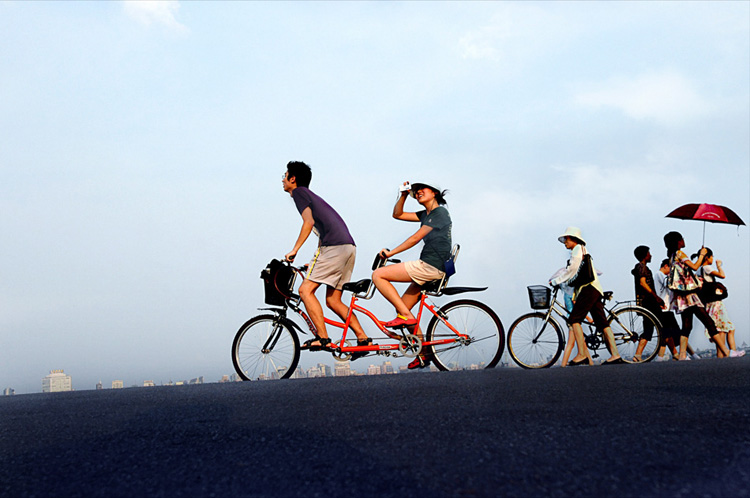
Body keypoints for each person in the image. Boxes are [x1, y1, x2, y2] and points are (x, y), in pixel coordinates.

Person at [282, 161, 370, 353]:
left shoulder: (299, 193)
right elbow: (322, 230)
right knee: (333, 301)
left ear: (293, 179)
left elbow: (308, 222)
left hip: (335, 248)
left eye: (285, 175)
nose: (283, 179)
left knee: (305, 291)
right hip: (347, 246)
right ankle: (363, 339)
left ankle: (322, 338)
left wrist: (294, 250)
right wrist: (316, 258)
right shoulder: (312, 196)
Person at [372, 180, 452, 369]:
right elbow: (397, 214)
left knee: (378, 275)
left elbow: (416, 238)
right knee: (403, 309)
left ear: (434, 192)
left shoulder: (439, 213)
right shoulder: (426, 214)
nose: (417, 193)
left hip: (430, 265)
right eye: (415, 192)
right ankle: (424, 355)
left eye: (421, 190)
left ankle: (408, 319)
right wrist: (403, 195)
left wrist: (391, 253)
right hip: (433, 266)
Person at [549, 227, 623, 366]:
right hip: (595, 288)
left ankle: (582, 354)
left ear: (573, 238)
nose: (565, 242)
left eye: (566, 239)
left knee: (574, 319)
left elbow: (572, 270)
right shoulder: (582, 249)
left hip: (588, 289)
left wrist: (556, 281)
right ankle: (615, 354)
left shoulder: (577, 249)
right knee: (602, 322)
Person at [662, 231, 730, 360]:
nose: (683, 240)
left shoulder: (671, 256)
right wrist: (702, 255)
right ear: (678, 241)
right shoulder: (680, 253)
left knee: (687, 326)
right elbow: (694, 266)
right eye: (682, 238)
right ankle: (726, 351)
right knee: (708, 322)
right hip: (690, 295)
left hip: (682, 296)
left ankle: (682, 354)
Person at [696, 248, 744, 358]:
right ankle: (727, 355)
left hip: (709, 304)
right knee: (723, 330)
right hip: (716, 304)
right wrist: (719, 266)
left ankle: (728, 355)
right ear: (707, 257)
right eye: (712, 257)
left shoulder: (698, 270)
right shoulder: (706, 267)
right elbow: (722, 275)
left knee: (724, 329)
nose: (713, 259)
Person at [630, 246, 665, 362]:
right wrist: (656, 298)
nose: (651, 255)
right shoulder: (642, 267)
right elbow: (643, 283)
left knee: (649, 329)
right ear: (645, 255)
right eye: (649, 253)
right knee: (661, 326)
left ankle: (638, 355)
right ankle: (672, 354)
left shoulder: (641, 267)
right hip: (648, 302)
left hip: (648, 302)